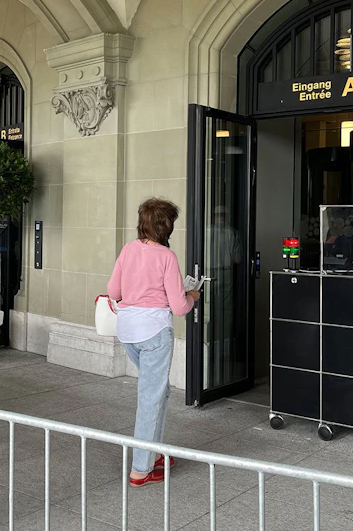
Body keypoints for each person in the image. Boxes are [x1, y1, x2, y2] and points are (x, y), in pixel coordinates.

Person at [107, 198, 198, 488]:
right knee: (150, 398)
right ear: (166, 226)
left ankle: (155, 451)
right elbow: (179, 307)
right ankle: (140, 469)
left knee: (159, 392)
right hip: (155, 333)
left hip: (128, 332)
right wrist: (194, 295)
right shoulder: (166, 257)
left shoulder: (128, 249)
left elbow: (113, 290)